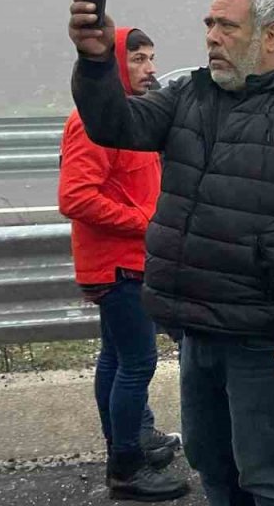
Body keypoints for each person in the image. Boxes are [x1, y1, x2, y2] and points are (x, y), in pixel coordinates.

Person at [68, 0, 274, 506]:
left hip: (263, 335)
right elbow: (115, 124)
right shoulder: (190, 93)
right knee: (211, 460)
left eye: (226, 25)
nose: (211, 36)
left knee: (268, 473)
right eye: (209, 24)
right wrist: (94, 64)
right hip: (196, 326)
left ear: (270, 35)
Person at [58, 26, 189, 502]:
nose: (150, 68)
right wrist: (146, 223)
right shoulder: (91, 124)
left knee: (117, 358)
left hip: (129, 261)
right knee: (137, 362)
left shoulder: (129, 119)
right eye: (138, 59)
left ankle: (129, 443)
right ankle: (127, 468)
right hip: (118, 265)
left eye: (151, 58)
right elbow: (75, 197)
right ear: (113, 64)